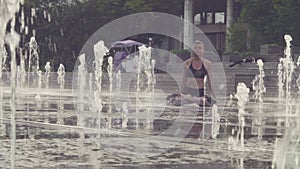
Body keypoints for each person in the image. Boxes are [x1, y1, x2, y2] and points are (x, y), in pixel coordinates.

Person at [178, 40, 216, 106]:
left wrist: (214, 96)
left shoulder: (207, 64)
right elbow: (184, 80)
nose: (197, 49)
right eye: (195, 48)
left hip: (200, 92)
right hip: (188, 91)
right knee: (177, 100)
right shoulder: (187, 63)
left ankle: (190, 99)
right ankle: (193, 99)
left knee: (206, 101)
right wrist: (180, 92)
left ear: (203, 50)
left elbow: (210, 82)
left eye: (200, 48)